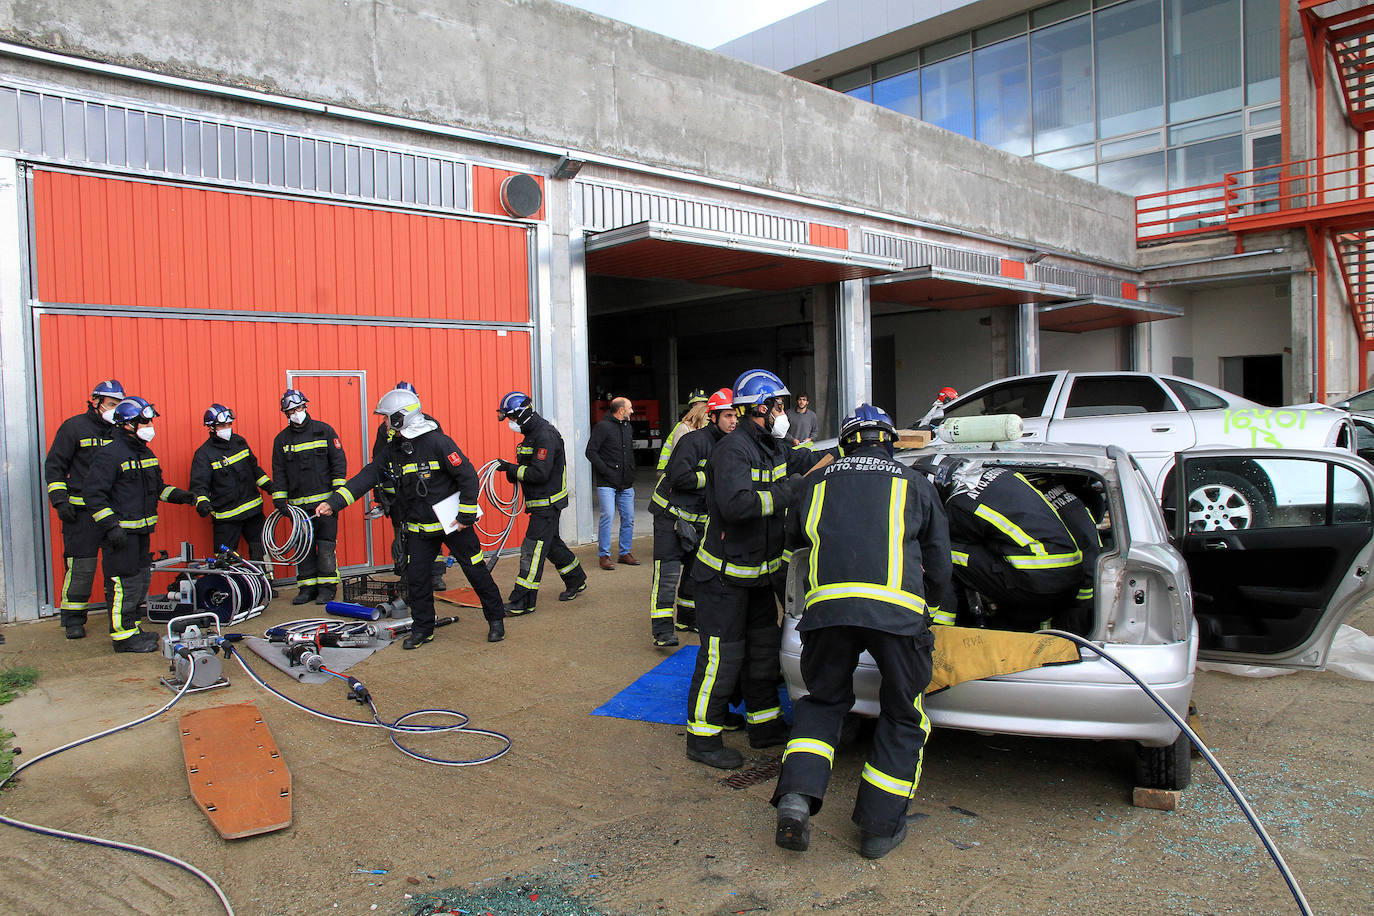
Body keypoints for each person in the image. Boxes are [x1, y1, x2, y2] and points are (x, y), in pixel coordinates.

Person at [771, 404, 953, 860]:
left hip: (827, 613)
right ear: (889, 442)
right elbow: (942, 566)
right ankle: (878, 827)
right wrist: (930, 608)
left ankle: (797, 796)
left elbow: (793, 548)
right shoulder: (915, 484)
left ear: (845, 444)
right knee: (902, 713)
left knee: (825, 702)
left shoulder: (813, 484)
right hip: (898, 616)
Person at [317, 389, 507, 646]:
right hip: (418, 529)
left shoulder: (438, 442)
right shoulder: (393, 450)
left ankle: (496, 620)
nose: (384, 425)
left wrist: (466, 515)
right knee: (417, 580)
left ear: (399, 418)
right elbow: (368, 475)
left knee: (476, 572)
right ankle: (423, 629)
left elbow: (467, 476)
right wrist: (334, 503)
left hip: (454, 526)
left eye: (385, 419)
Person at [684, 369, 804, 769]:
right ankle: (702, 740)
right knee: (722, 658)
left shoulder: (771, 445)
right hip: (722, 581)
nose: (783, 413)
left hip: (756, 578)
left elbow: (801, 459)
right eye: (780, 406)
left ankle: (764, 726)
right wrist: (791, 492)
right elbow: (738, 506)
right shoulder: (733, 450)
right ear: (761, 409)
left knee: (763, 654)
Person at [84, 397, 196, 652]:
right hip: (120, 534)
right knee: (124, 584)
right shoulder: (110, 454)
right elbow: (93, 495)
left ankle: (133, 628)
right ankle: (122, 638)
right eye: (144, 421)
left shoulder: (145, 452)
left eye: (149, 421)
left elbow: (157, 489)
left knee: (140, 580)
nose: (149, 426)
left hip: (141, 531)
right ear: (128, 425)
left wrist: (184, 497)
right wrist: (111, 526)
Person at [934, 458, 1097, 632]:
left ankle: (940, 630)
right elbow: (1089, 547)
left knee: (940, 553)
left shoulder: (961, 503)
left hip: (1035, 574)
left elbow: (942, 536)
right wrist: (1079, 605)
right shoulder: (1023, 485)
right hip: (1063, 579)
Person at [648, 387, 735, 646]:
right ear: (713, 416)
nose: (733, 421)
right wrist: (712, 479)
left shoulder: (731, 444)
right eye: (728, 415)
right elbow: (680, 477)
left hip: (699, 520)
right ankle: (662, 630)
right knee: (668, 573)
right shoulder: (693, 441)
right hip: (670, 516)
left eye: (735, 416)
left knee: (696, 573)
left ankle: (687, 618)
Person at [44, 378, 125, 639]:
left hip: (113, 513)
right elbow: (55, 466)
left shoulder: (121, 432)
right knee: (81, 567)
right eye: (111, 404)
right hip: (80, 513)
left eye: (119, 404)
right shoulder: (74, 428)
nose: (115, 409)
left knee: (118, 567)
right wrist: (60, 500)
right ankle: (73, 619)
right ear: (96, 402)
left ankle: (120, 615)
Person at [495, 391, 587, 614]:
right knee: (551, 544)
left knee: (532, 549)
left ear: (523, 413)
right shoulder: (532, 433)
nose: (511, 422)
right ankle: (576, 579)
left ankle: (523, 601)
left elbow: (539, 473)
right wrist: (512, 470)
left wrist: (511, 469)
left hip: (547, 504)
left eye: (512, 417)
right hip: (540, 502)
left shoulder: (545, 435)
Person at [271, 389, 347, 605]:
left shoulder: (324, 431)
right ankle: (307, 588)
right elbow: (279, 471)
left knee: (325, 547)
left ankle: (327, 588)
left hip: (325, 505)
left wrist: (336, 499)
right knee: (303, 548)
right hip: (298, 508)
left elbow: (338, 463)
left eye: (299, 408)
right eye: (291, 410)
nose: (296, 413)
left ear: (306, 406)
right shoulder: (282, 440)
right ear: (286, 413)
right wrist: (279, 499)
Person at [370, 382, 448, 592]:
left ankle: (436, 573)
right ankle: (405, 573)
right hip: (397, 492)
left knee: (432, 531)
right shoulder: (385, 429)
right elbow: (378, 459)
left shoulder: (430, 424)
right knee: (402, 535)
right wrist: (380, 493)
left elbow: (440, 458)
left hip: (424, 490)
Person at [189, 404, 274, 566]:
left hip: (253, 512)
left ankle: (265, 585)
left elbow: (254, 470)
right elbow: (199, 485)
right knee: (226, 557)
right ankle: (232, 589)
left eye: (229, 424)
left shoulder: (239, 442)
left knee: (261, 550)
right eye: (222, 425)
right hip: (226, 517)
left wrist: (269, 486)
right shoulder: (204, 454)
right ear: (211, 428)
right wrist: (202, 502)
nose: (227, 428)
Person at [586, 396, 638, 570]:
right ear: (621, 410)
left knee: (629, 518)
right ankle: (604, 556)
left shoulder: (627, 426)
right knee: (607, 516)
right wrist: (606, 471)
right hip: (607, 482)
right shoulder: (603, 427)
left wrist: (631, 471)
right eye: (629, 408)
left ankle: (624, 553)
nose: (632, 411)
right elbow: (590, 452)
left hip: (626, 483)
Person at [656, 388, 709, 474]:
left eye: (703, 404)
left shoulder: (712, 424)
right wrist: (662, 468)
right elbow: (668, 446)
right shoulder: (682, 426)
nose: (700, 408)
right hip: (688, 472)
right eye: (695, 405)